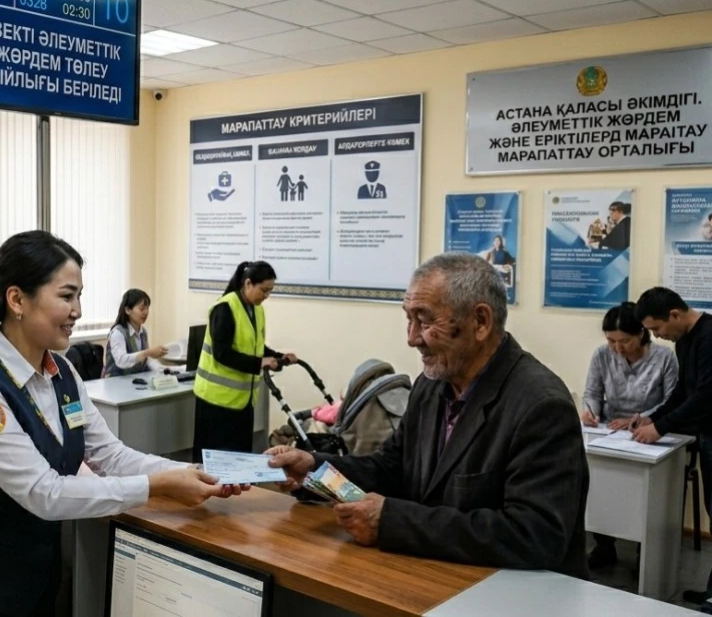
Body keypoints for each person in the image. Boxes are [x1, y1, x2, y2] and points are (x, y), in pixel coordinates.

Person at [0, 231, 243, 617]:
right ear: (17, 300)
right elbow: (43, 492)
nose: (78, 310)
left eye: (79, 296)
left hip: (33, 586)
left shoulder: (62, 373)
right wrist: (158, 486)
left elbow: (111, 456)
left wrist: (190, 472)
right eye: (66, 296)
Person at [266, 253, 589, 578]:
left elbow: (534, 534)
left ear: (480, 322)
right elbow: (391, 468)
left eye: (425, 320)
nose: (411, 338)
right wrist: (314, 470)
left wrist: (391, 521)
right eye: (409, 319)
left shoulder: (541, 405)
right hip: (435, 577)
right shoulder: (431, 386)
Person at [630, 287, 712, 610]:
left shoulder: (708, 337)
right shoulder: (684, 340)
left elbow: (705, 396)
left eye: (657, 328)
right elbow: (682, 391)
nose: (657, 336)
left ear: (674, 315)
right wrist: (651, 418)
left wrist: (660, 428)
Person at [580, 302, 677, 569]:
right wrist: (591, 412)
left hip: (648, 432)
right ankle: (604, 545)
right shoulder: (602, 355)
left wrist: (640, 417)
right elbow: (592, 393)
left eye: (624, 341)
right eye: (611, 341)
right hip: (609, 430)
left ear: (641, 333)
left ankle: (644, 552)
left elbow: (671, 401)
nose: (617, 348)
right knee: (598, 478)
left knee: (644, 492)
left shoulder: (664, 358)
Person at [192, 260, 296, 459]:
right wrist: (260, 363)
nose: (266, 296)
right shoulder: (224, 308)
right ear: (248, 283)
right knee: (215, 462)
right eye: (263, 290)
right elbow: (222, 354)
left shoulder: (257, 309)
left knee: (239, 459)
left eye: (270, 291)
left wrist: (278, 357)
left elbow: (256, 346)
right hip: (216, 402)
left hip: (242, 402)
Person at [103, 288, 167, 378]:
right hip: (115, 381)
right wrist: (148, 352)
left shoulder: (143, 332)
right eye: (142, 309)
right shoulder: (118, 333)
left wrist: (163, 369)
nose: (146, 312)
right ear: (127, 310)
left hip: (134, 380)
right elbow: (121, 360)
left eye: (147, 308)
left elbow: (147, 360)